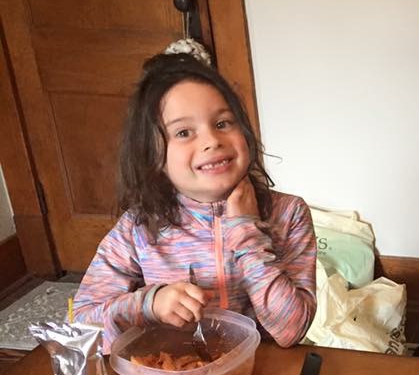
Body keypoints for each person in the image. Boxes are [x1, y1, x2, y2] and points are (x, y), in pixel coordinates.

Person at [73, 52, 317, 352]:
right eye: (184, 132)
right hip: (174, 371)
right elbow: (81, 324)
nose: (212, 141)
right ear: (153, 155)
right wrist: (148, 304)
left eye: (223, 123)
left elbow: (291, 330)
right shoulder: (138, 227)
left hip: (262, 368)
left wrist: (246, 231)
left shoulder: (289, 214)